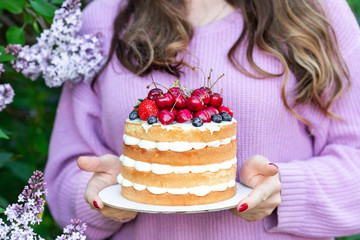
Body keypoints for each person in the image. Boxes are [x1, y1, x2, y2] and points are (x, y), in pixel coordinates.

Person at [44, 0, 360, 239]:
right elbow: (63, 183)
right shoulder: (102, 19)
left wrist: (287, 189)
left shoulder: (315, 10)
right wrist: (106, 194)